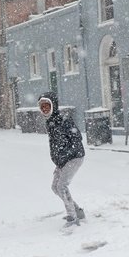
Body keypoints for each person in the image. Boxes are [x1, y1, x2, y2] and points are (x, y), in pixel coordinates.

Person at [38, 91, 85, 226]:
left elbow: (77, 139)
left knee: (62, 186)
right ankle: (77, 211)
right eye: (42, 107)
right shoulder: (50, 122)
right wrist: (59, 160)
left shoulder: (64, 121)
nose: (45, 109)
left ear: (54, 106)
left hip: (74, 157)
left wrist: (65, 155)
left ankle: (72, 217)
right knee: (55, 187)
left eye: (47, 105)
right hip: (62, 161)